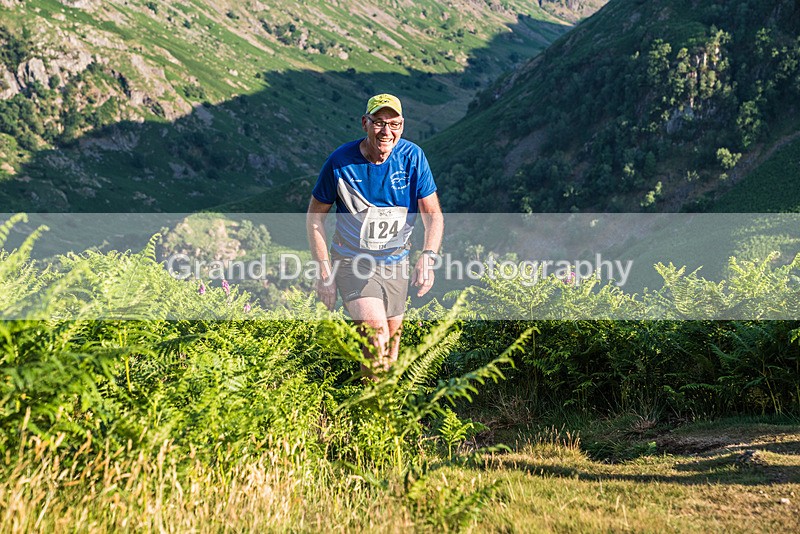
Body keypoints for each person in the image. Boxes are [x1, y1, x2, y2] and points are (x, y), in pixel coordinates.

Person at [306, 93, 443, 375]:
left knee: (390, 347)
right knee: (376, 332)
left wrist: (428, 257)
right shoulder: (340, 162)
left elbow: (433, 216)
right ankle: (374, 414)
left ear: (402, 126)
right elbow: (314, 218)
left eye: (394, 124)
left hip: (395, 261)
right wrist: (324, 272)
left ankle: (373, 407)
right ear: (364, 123)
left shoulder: (413, 157)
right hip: (351, 260)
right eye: (379, 122)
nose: (386, 131)